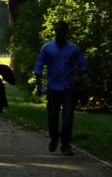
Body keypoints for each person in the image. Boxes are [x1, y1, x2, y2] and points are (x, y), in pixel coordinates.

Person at [34, 21, 87, 156]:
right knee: (52, 116)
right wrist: (39, 84)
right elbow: (39, 65)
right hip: (52, 87)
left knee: (68, 117)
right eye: (57, 30)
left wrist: (78, 76)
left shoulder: (73, 49)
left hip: (68, 87)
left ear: (66, 32)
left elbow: (83, 64)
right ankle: (54, 136)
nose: (59, 33)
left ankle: (65, 145)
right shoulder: (47, 48)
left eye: (62, 30)